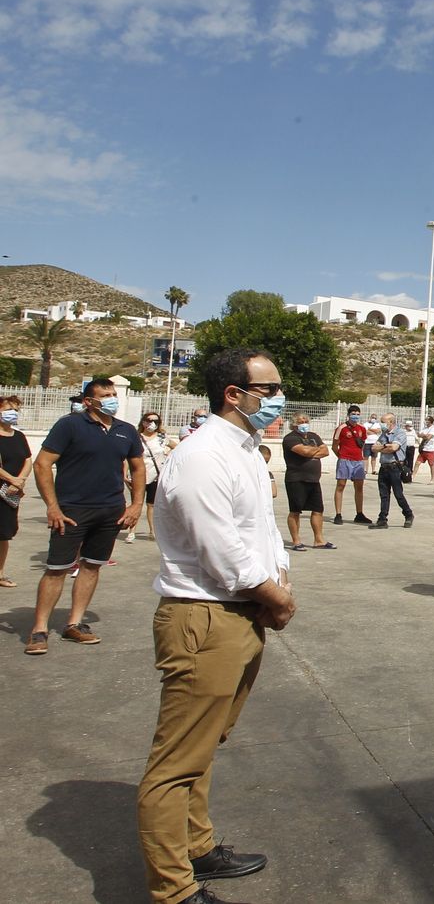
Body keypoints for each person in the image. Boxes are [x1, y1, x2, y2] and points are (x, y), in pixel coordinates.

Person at [134, 349, 293, 904]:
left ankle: (197, 848)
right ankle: (173, 890)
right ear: (233, 392)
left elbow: (259, 531)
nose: (279, 396)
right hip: (206, 615)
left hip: (241, 614)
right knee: (176, 762)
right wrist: (276, 597)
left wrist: (279, 583)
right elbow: (221, 551)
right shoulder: (203, 454)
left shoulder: (245, 449)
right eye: (269, 387)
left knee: (206, 743)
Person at [24, 377, 144, 655]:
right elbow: (42, 464)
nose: (113, 399)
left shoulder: (126, 431)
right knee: (57, 569)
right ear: (89, 402)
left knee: (92, 566)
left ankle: (74, 624)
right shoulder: (70, 425)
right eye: (106, 395)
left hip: (110, 512)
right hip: (72, 512)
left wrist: (135, 505)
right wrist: (52, 507)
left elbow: (138, 468)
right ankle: (39, 630)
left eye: (115, 394)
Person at [281, 412, 333, 551]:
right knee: (295, 510)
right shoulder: (290, 438)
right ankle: (296, 541)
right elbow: (304, 452)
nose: (304, 423)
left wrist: (312, 451)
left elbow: (326, 451)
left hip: (314, 479)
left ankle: (319, 540)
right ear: (294, 424)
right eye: (300, 421)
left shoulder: (313, 436)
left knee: (318, 509)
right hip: (296, 479)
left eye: (305, 421)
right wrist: (316, 450)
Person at [0, 394, 34, 590]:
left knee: (4, 535)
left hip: (10, 494)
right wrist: (11, 479)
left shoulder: (19, 436)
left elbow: (28, 460)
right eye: (7, 410)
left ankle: (1, 573)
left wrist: (19, 481)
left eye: (15, 410)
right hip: (6, 485)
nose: (12, 413)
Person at [130, 412, 170, 543]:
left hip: (155, 476)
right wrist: (125, 473)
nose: (151, 424)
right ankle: (132, 532)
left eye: (155, 421)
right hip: (138, 475)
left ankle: (152, 531)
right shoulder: (136, 437)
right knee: (136, 503)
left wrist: (168, 455)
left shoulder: (162, 438)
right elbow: (126, 457)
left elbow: (178, 448)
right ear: (143, 421)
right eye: (148, 420)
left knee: (151, 505)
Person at [371, 413, 414, 530]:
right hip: (384, 467)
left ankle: (408, 514)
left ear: (391, 422)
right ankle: (382, 519)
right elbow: (373, 448)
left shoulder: (400, 433)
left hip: (395, 467)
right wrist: (386, 446)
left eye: (383, 422)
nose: (381, 424)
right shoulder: (384, 435)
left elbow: (394, 448)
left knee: (398, 494)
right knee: (384, 495)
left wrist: (384, 447)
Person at [331, 404, 371, 525]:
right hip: (345, 460)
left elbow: (362, 445)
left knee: (359, 487)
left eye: (358, 414)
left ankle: (359, 513)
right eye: (353, 414)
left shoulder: (362, 429)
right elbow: (334, 446)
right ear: (348, 415)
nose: (355, 416)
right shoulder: (341, 428)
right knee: (341, 485)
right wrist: (341, 456)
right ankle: (338, 514)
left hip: (358, 460)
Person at [414, 415, 434, 482]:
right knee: (417, 463)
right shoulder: (424, 428)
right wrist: (424, 435)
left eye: (427, 420)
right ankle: (413, 476)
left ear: (430, 421)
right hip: (423, 448)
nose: (426, 422)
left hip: (430, 449)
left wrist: (424, 435)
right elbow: (418, 434)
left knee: (431, 464)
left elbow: (428, 437)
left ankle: (432, 479)